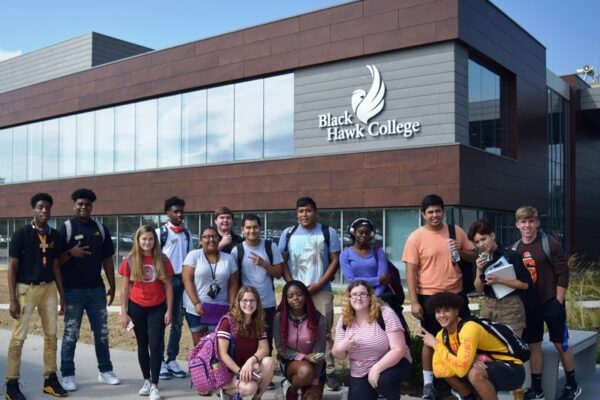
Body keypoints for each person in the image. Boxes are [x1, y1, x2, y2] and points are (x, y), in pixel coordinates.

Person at [402, 194, 475, 400]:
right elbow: (410, 272)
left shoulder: (455, 231)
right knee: (429, 340)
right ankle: (428, 385)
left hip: (456, 294)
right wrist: (414, 301)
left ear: (443, 211)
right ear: (424, 214)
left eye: (438, 210)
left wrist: (460, 250)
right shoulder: (416, 237)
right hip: (429, 296)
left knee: (462, 337)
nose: (435, 215)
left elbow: (472, 255)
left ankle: (460, 383)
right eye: (430, 212)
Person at [513, 206, 581, 400]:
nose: (527, 225)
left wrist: (558, 301)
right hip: (530, 307)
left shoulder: (549, 244)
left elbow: (563, 273)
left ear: (537, 223)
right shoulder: (515, 248)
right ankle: (537, 389)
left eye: (531, 221)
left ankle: (572, 385)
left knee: (561, 344)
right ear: (517, 224)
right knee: (534, 346)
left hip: (551, 303)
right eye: (523, 222)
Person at [5, 193, 68, 400]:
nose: (44, 211)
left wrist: (62, 295)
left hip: (48, 289)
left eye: (47, 208)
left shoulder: (54, 235)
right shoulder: (22, 234)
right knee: (18, 337)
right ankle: (12, 384)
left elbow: (56, 265)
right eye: (40, 207)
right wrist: (13, 299)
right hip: (26, 290)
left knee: (51, 336)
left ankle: (50, 379)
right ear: (33, 209)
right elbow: (12, 267)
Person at [58, 188, 120, 391]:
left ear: (92, 206)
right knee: (70, 334)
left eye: (87, 204)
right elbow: (54, 261)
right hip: (72, 291)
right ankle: (67, 374)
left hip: (96, 290)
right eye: (80, 204)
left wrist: (112, 284)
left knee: (101, 333)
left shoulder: (100, 228)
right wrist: (71, 252)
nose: (84, 207)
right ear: (74, 205)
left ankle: (105, 370)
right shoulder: (65, 228)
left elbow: (107, 259)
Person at [279, 196, 341, 391]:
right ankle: (296, 368)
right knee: (293, 331)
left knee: (324, 333)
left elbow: (334, 261)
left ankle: (327, 372)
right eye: (300, 211)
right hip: (295, 292)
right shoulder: (287, 233)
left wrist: (319, 284)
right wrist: (292, 285)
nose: (304, 215)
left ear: (316, 212)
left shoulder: (328, 232)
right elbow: (282, 262)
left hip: (320, 291)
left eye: (308, 210)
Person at [419, 292, 525, 400]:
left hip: (512, 370)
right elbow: (439, 370)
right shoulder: (442, 335)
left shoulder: (469, 328)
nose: (441, 315)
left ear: (456, 311)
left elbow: (461, 370)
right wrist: (466, 363)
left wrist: (436, 345)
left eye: (446, 310)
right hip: (487, 367)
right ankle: (468, 396)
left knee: (474, 373)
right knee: (456, 366)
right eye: (438, 311)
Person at [332, 281, 412, 400]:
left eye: (363, 294)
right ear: (349, 298)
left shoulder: (384, 313)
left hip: (392, 364)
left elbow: (398, 349)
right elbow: (339, 355)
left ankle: (392, 397)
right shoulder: (345, 319)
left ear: (370, 297)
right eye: (354, 294)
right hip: (360, 371)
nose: (358, 298)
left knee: (383, 381)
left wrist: (376, 368)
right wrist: (341, 347)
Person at [119, 226, 174, 400]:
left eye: (150, 239)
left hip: (157, 307)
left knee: (156, 345)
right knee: (142, 344)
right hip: (137, 307)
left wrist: (169, 310)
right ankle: (146, 380)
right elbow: (125, 288)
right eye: (144, 239)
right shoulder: (130, 260)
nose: (147, 242)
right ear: (138, 240)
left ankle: (155, 386)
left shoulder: (162, 259)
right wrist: (123, 312)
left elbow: (169, 286)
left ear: (154, 241)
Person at [231, 215, 284, 367]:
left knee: (266, 339)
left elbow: (278, 272)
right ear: (242, 230)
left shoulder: (270, 246)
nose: (252, 230)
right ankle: (248, 369)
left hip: (267, 303)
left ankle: (264, 371)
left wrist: (264, 264)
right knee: (247, 339)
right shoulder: (238, 250)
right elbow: (234, 280)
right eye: (248, 227)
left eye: (255, 227)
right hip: (246, 304)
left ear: (260, 228)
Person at [468, 219, 530, 336]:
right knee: (488, 345)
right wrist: (479, 270)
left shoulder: (511, 255)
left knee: (512, 346)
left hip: (510, 305)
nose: (481, 244)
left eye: (483, 239)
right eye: (477, 242)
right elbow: (479, 289)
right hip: (488, 304)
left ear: (492, 236)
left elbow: (525, 285)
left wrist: (499, 280)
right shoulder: (478, 257)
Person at [182, 226, 238, 346]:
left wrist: (232, 304)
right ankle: (200, 365)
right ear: (201, 241)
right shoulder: (194, 255)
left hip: (220, 309)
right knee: (200, 346)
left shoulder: (229, 258)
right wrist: (196, 303)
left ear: (219, 239)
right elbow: (187, 280)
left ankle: (218, 366)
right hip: (197, 310)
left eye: (214, 236)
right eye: (206, 237)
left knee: (219, 345)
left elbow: (233, 283)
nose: (211, 240)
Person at [216, 286, 276, 400]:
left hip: (246, 366)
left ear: (257, 303)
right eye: (245, 300)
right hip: (228, 371)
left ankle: (257, 397)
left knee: (269, 362)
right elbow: (222, 354)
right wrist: (240, 372)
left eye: (252, 300)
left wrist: (250, 361)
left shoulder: (257, 321)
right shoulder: (228, 321)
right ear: (238, 302)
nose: (248, 304)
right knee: (250, 387)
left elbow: (264, 349)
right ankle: (226, 391)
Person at [156, 196, 192, 380]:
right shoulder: (159, 233)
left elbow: (190, 258)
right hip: (164, 283)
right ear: (168, 212)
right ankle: (159, 361)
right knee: (162, 322)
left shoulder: (186, 234)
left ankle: (171, 359)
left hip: (182, 282)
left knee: (177, 323)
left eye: (181, 211)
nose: (179, 214)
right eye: (175, 211)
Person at [273, 280, 327, 400]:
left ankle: (304, 384)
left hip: (315, 365)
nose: (295, 298)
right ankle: (292, 390)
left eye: (299, 294)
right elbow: (281, 349)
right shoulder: (279, 318)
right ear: (285, 299)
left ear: (306, 296)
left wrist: (315, 382)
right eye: (290, 296)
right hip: (290, 362)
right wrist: (304, 357)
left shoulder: (318, 319)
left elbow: (319, 355)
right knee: (305, 371)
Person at [340, 218, 388, 296]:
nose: (364, 235)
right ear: (353, 232)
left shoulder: (378, 252)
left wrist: (374, 298)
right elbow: (352, 280)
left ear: (371, 235)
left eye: (367, 233)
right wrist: (377, 280)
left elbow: (384, 281)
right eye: (361, 232)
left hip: (377, 299)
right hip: (356, 299)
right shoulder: (345, 255)